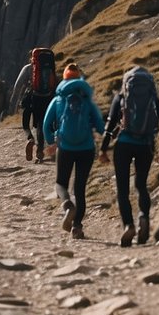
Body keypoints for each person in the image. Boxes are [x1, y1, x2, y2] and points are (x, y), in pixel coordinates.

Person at [99, 65, 159, 247]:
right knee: (141, 185)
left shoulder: (122, 96)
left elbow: (110, 124)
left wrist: (103, 149)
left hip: (123, 145)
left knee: (123, 189)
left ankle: (128, 226)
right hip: (146, 145)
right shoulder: (152, 97)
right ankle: (143, 217)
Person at [42, 63, 104, 239]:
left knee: (60, 183)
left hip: (65, 148)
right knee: (80, 188)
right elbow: (100, 126)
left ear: (64, 79)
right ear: (79, 79)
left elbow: (46, 125)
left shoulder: (58, 99)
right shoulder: (87, 100)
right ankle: (77, 226)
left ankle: (68, 205)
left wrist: (51, 142)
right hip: (86, 149)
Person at [10, 47, 58, 162]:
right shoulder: (50, 67)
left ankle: (30, 139)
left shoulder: (28, 69)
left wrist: (14, 101)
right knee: (42, 124)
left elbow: (18, 85)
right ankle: (42, 151)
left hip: (32, 99)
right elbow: (56, 83)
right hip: (48, 97)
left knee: (27, 124)